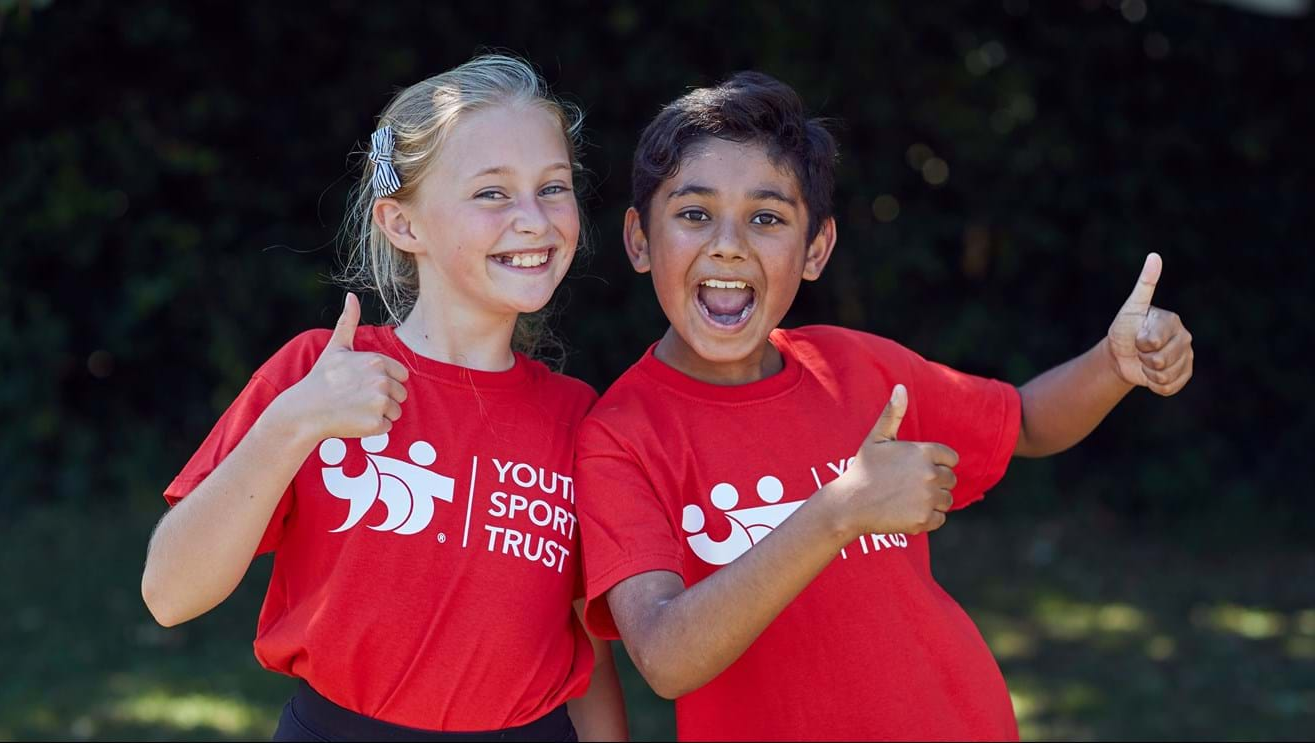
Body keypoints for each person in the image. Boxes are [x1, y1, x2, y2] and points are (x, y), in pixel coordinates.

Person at [574, 71, 1194, 741]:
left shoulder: (856, 366)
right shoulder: (619, 436)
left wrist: (1111, 362)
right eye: (694, 213)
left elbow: (1027, 420)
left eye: (767, 217)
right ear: (639, 239)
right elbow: (665, 656)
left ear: (816, 248)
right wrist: (840, 510)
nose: (729, 242)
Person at [141, 54, 628, 742]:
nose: (533, 219)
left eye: (553, 187)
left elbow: (586, 642)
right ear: (404, 225)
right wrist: (295, 422)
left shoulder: (581, 417)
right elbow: (169, 593)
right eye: (492, 192)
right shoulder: (318, 374)